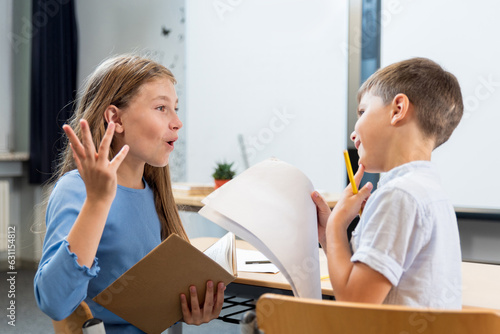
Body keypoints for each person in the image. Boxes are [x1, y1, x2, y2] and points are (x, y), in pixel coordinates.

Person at [34, 55, 226, 332]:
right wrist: (97, 203)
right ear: (115, 118)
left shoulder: (153, 192)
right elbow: (54, 302)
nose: (177, 122)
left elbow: (150, 294)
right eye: (161, 108)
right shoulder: (77, 189)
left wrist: (186, 308)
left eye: (175, 108)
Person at [312, 57, 463, 309]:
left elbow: (355, 301)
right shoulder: (425, 189)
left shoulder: (399, 195)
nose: (353, 132)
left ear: (398, 109)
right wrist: (331, 240)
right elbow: (360, 281)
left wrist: (336, 227)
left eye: (362, 112)